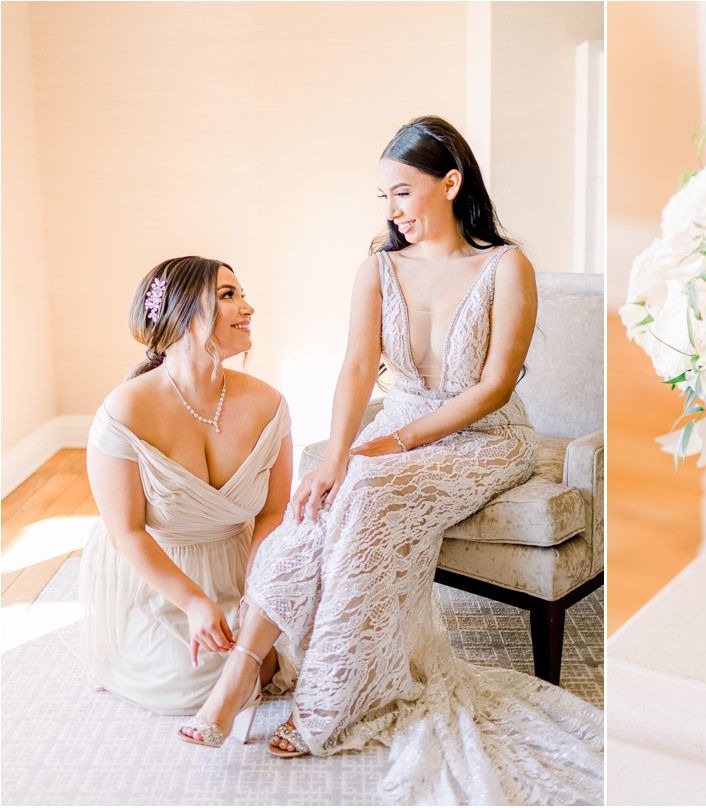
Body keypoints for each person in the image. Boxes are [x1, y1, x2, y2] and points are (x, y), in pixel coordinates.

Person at [179, 116, 603, 804]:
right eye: (382, 197)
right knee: (323, 495)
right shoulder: (377, 268)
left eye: (402, 191)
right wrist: (335, 456)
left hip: (487, 437)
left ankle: (330, 702)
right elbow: (354, 369)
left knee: (367, 486)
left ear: (451, 183)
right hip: (397, 426)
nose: (392, 210)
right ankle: (238, 680)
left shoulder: (505, 266)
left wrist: (388, 447)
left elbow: (495, 385)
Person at [79, 256, 291, 715]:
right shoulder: (124, 412)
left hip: (243, 560)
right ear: (180, 313)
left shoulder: (268, 404)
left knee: (291, 655)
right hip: (162, 570)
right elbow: (127, 533)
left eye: (243, 294)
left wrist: (256, 587)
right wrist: (195, 603)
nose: (248, 307)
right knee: (187, 684)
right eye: (228, 295)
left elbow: (274, 511)